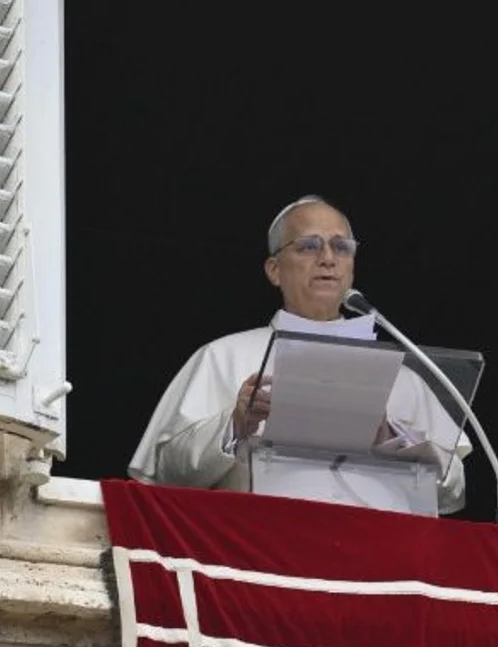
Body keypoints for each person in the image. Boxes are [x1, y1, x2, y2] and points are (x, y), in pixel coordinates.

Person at [127, 195, 469, 514]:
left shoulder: (403, 377)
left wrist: (390, 435)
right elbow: (167, 473)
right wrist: (235, 424)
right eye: (309, 246)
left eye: (341, 247)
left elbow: (452, 492)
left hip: (379, 551)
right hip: (262, 544)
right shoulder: (223, 357)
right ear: (274, 270)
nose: (328, 258)